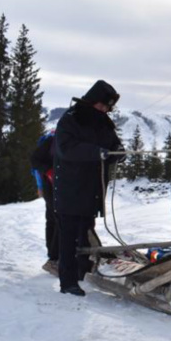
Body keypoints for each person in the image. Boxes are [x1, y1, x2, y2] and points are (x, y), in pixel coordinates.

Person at [53, 80, 124, 297]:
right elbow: (66, 149)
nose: (104, 110)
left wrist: (118, 151)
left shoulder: (104, 123)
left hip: (92, 189)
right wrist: (95, 152)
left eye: (107, 108)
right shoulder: (70, 120)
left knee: (86, 232)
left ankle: (82, 271)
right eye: (101, 106)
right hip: (70, 188)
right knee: (69, 236)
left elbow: (113, 143)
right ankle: (68, 280)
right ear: (91, 101)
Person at [30, 129, 59, 273]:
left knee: (53, 219)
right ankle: (54, 258)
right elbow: (36, 161)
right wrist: (47, 175)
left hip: (50, 184)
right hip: (50, 184)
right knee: (57, 219)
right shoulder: (52, 140)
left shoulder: (51, 138)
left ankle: (52, 257)